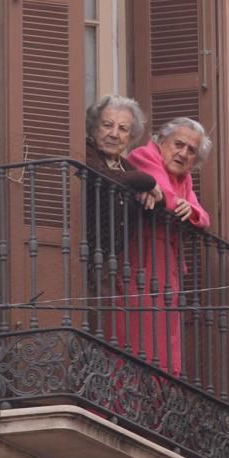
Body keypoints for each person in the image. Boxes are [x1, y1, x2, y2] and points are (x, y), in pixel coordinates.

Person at [115, 117, 212, 376]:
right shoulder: (144, 155)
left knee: (166, 334)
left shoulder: (185, 178)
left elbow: (202, 217)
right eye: (178, 144)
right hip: (140, 253)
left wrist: (190, 209)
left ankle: (158, 397)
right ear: (160, 141)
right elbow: (166, 198)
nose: (183, 153)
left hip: (164, 260)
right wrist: (182, 205)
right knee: (141, 328)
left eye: (191, 151)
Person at [83, 96, 162, 311]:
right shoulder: (84, 151)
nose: (114, 134)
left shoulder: (125, 166)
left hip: (110, 262)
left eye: (123, 129)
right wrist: (148, 182)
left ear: (130, 136)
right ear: (93, 127)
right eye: (107, 125)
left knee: (103, 323)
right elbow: (104, 177)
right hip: (80, 255)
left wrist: (154, 196)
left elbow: (158, 209)